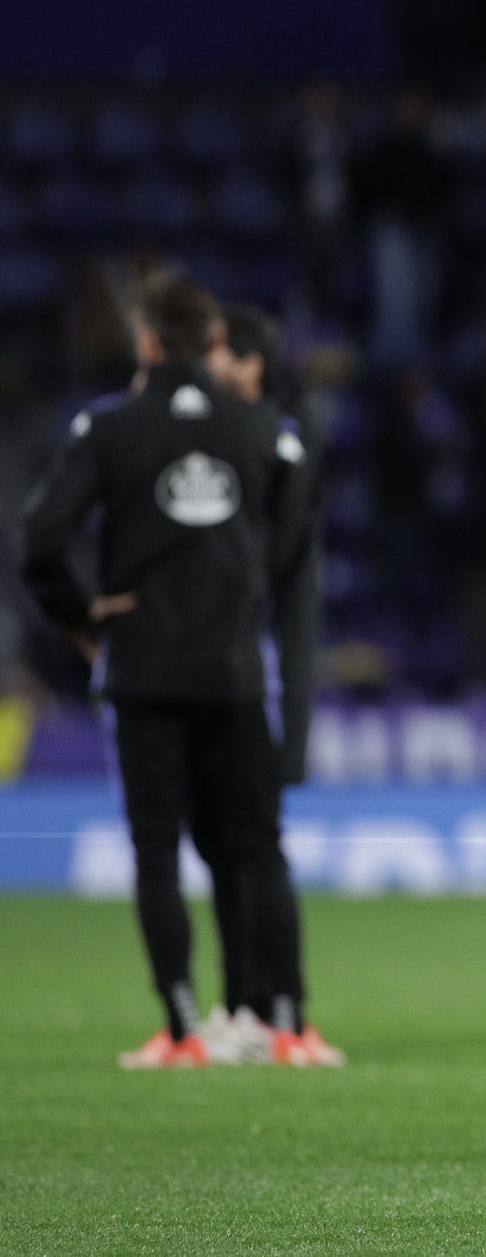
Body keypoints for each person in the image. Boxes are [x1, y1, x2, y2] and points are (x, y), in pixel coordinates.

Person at [17, 275, 334, 1068]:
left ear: (149, 342)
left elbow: (40, 535)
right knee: (258, 846)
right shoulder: (264, 432)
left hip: (144, 674)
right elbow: (291, 556)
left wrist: (83, 613)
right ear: (211, 344)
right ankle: (287, 1025)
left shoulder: (111, 430)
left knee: (158, 852)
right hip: (232, 673)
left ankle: (186, 1029)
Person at [183, 301, 325, 1064]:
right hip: (222, 667)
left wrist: (292, 715)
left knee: (253, 845)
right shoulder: (248, 441)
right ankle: (245, 1004)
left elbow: (286, 580)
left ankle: (282, 1010)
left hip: (253, 669)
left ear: (247, 364)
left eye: (215, 356)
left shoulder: (275, 446)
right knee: (224, 847)